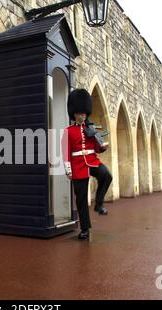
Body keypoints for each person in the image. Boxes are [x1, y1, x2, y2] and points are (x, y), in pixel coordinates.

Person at [61, 89, 113, 241]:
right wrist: (68, 170)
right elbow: (65, 152)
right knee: (81, 199)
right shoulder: (68, 131)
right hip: (77, 165)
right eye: (79, 113)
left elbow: (96, 148)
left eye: (84, 113)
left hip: (92, 160)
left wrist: (102, 147)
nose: (82, 115)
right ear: (74, 114)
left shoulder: (90, 129)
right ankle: (85, 229)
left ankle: (99, 203)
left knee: (106, 176)